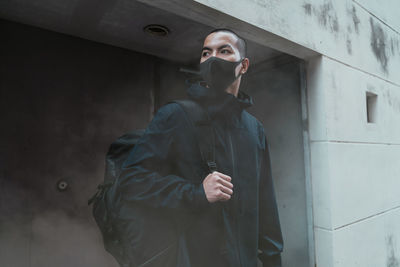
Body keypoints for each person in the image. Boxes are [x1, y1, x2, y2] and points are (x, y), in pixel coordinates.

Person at [116, 29, 283, 267]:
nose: (212, 58)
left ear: (243, 65)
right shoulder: (175, 115)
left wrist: (272, 259)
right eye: (206, 53)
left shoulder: (255, 129)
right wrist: (195, 192)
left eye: (223, 51)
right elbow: (130, 182)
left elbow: (266, 202)